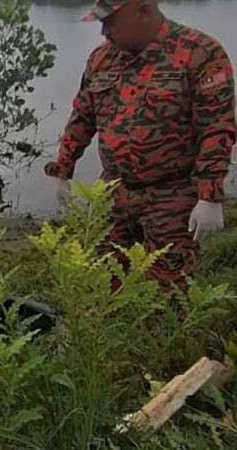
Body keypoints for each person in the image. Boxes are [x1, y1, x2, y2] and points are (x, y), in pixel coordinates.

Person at [44, 0, 236, 291]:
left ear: (143, 11)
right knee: (105, 284)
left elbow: (216, 128)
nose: (104, 31)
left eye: (110, 21)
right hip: (114, 193)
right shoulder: (101, 60)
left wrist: (210, 196)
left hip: (173, 197)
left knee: (168, 292)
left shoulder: (200, 53)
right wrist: (63, 169)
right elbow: (82, 117)